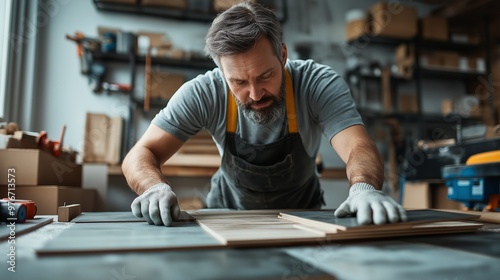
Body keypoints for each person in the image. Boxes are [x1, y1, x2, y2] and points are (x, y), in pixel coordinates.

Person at [122, 1, 407, 227]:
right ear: (222, 73)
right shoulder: (203, 92)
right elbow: (140, 154)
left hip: (303, 220)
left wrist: (364, 187)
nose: (256, 94)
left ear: (282, 55)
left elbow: (358, 146)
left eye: (266, 75)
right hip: (226, 219)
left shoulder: (316, 83)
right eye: (239, 82)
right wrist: (154, 187)